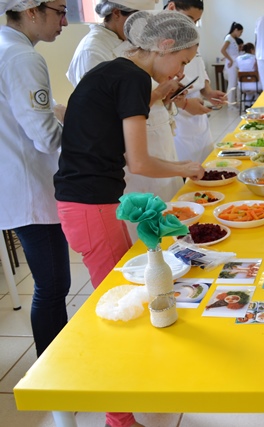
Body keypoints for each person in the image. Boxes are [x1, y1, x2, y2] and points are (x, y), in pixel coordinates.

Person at [55, 10, 204, 291]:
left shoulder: (116, 70)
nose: (182, 72)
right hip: (90, 203)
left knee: (130, 279)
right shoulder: (133, 78)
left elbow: (118, 124)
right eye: (183, 61)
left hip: (88, 200)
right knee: (116, 291)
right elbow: (139, 163)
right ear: (166, 45)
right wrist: (185, 168)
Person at [0, 0, 70, 359]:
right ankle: (54, 369)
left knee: (50, 282)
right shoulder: (23, 57)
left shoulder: (5, 47)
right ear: (31, 10)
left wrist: (55, 110)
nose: (65, 20)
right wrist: (74, 125)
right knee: (53, 283)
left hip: (15, 181)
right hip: (32, 188)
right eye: (59, 10)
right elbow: (44, 137)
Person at [166, 0, 226, 163]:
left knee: (205, 166)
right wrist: (184, 104)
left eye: (196, 22)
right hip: (176, 116)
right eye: (189, 19)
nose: (192, 25)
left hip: (197, 116)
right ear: (171, 8)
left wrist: (208, 92)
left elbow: (199, 67)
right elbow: (158, 85)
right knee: (183, 169)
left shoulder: (189, 35)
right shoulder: (158, 38)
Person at [66, 0, 155, 87]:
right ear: (116, 13)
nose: (141, 26)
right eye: (137, 19)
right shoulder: (91, 51)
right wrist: (157, 93)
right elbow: (102, 99)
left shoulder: (128, 39)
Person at [220, 21, 243, 102]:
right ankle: (230, 103)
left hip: (234, 62)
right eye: (240, 32)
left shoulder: (233, 39)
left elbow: (230, 51)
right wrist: (229, 59)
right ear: (236, 30)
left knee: (235, 83)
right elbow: (222, 50)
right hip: (231, 63)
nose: (241, 34)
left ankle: (233, 102)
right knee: (232, 83)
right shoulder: (229, 38)